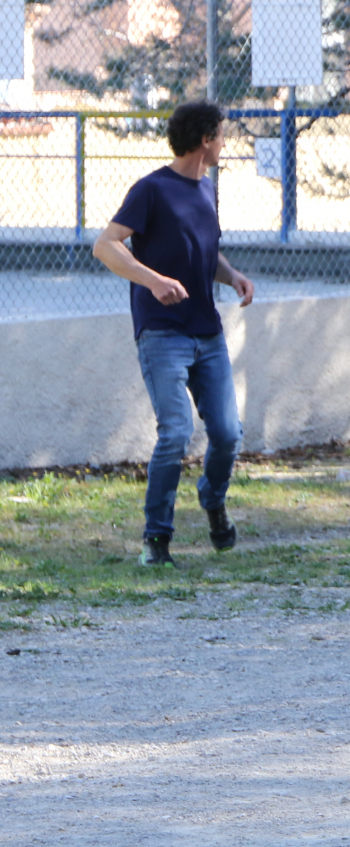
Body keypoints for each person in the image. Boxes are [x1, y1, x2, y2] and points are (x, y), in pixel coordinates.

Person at [92, 101, 254, 567]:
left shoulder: (207, 189)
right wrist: (153, 281)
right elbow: (105, 245)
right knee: (176, 432)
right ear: (205, 140)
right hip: (162, 332)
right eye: (221, 135)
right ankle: (156, 538)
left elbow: (204, 251)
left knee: (227, 433)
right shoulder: (152, 190)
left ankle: (213, 501)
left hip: (207, 332)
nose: (224, 144)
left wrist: (232, 276)